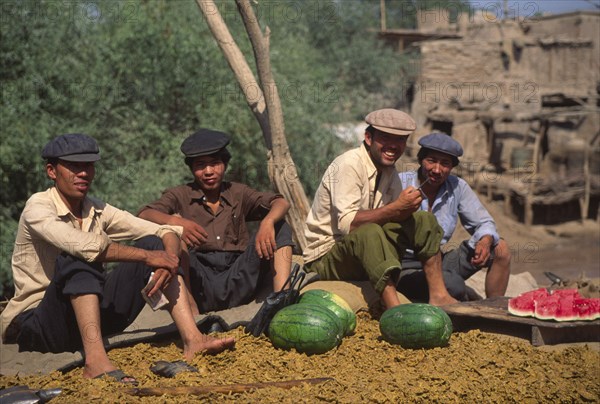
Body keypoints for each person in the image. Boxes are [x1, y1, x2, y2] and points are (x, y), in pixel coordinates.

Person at [0, 134, 235, 384]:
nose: (83, 173)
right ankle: (96, 363)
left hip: (91, 318)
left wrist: (168, 258)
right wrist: (149, 257)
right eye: (74, 166)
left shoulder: (96, 208)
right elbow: (82, 246)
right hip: (38, 324)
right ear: (52, 171)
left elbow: (161, 230)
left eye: (88, 166)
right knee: (79, 255)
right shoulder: (38, 207)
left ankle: (193, 339)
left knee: (156, 244)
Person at [303, 109, 458, 310]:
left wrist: (407, 209)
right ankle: (395, 310)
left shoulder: (389, 171)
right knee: (369, 231)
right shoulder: (348, 165)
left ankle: (439, 294)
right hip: (327, 257)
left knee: (424, 220)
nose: (393, 146)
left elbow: (393, 220)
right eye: (385, 138)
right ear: (369, 138)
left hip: (366, 253)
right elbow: (348, 225)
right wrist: (397, 207)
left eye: (400, 140)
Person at [138, 129, 293, 316]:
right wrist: (176, 223)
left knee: (280, 225)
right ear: (191, 168)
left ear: (225, 164)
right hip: (198, 281)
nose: (208, 172)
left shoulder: (238, 192)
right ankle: (192, 315)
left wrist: (267, 222)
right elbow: (144, 214)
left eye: (215, 163)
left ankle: (282, 301)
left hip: (238, 277)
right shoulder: (179, 194)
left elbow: (281, 202)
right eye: (200, 165)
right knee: (171, 236)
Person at [398, 132, 512, 301]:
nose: (437, 170)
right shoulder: (399, 182)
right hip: (405, 265)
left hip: (438, 260)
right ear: (421, 160)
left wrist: (486, 240)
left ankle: (494, 306)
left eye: (445, 163)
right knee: (454, 286)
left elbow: (484, 222)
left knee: (500, 248)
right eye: (431, 161)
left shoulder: (457, 186)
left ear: (452, 167)